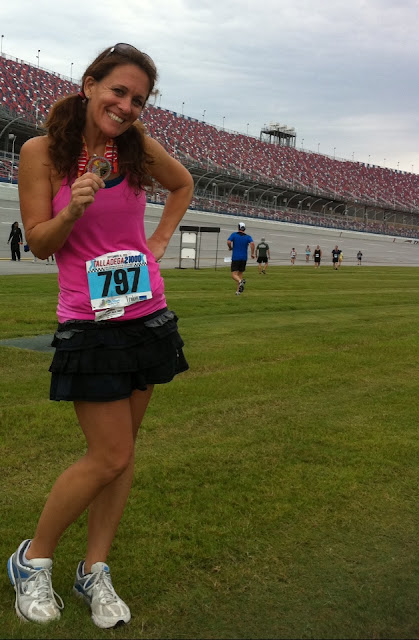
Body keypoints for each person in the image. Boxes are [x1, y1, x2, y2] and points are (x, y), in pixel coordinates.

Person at [7, 43, 194, 629]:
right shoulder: (41, 152)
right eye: (119, 91)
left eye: (139, 99)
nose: (127, 106)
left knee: (123, 455)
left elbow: (183, 184)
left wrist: (157, 243)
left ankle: (95, 569)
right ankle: (32, 560)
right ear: (90, 85)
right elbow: (40, 243)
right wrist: (72, 210)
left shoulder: (136, 148)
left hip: (146, 312)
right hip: (90, 323)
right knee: (108, 454)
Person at [227, 222, 255, 294]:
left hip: (236, 257)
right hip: (244, 258)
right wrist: (252, 253)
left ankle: (240, 281)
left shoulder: (234, 235)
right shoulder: (248, 237)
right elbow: (252, 243)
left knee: (234, 275)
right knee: (240, 274)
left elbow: (229, 241)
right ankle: (238, 291)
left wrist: (230, 247)